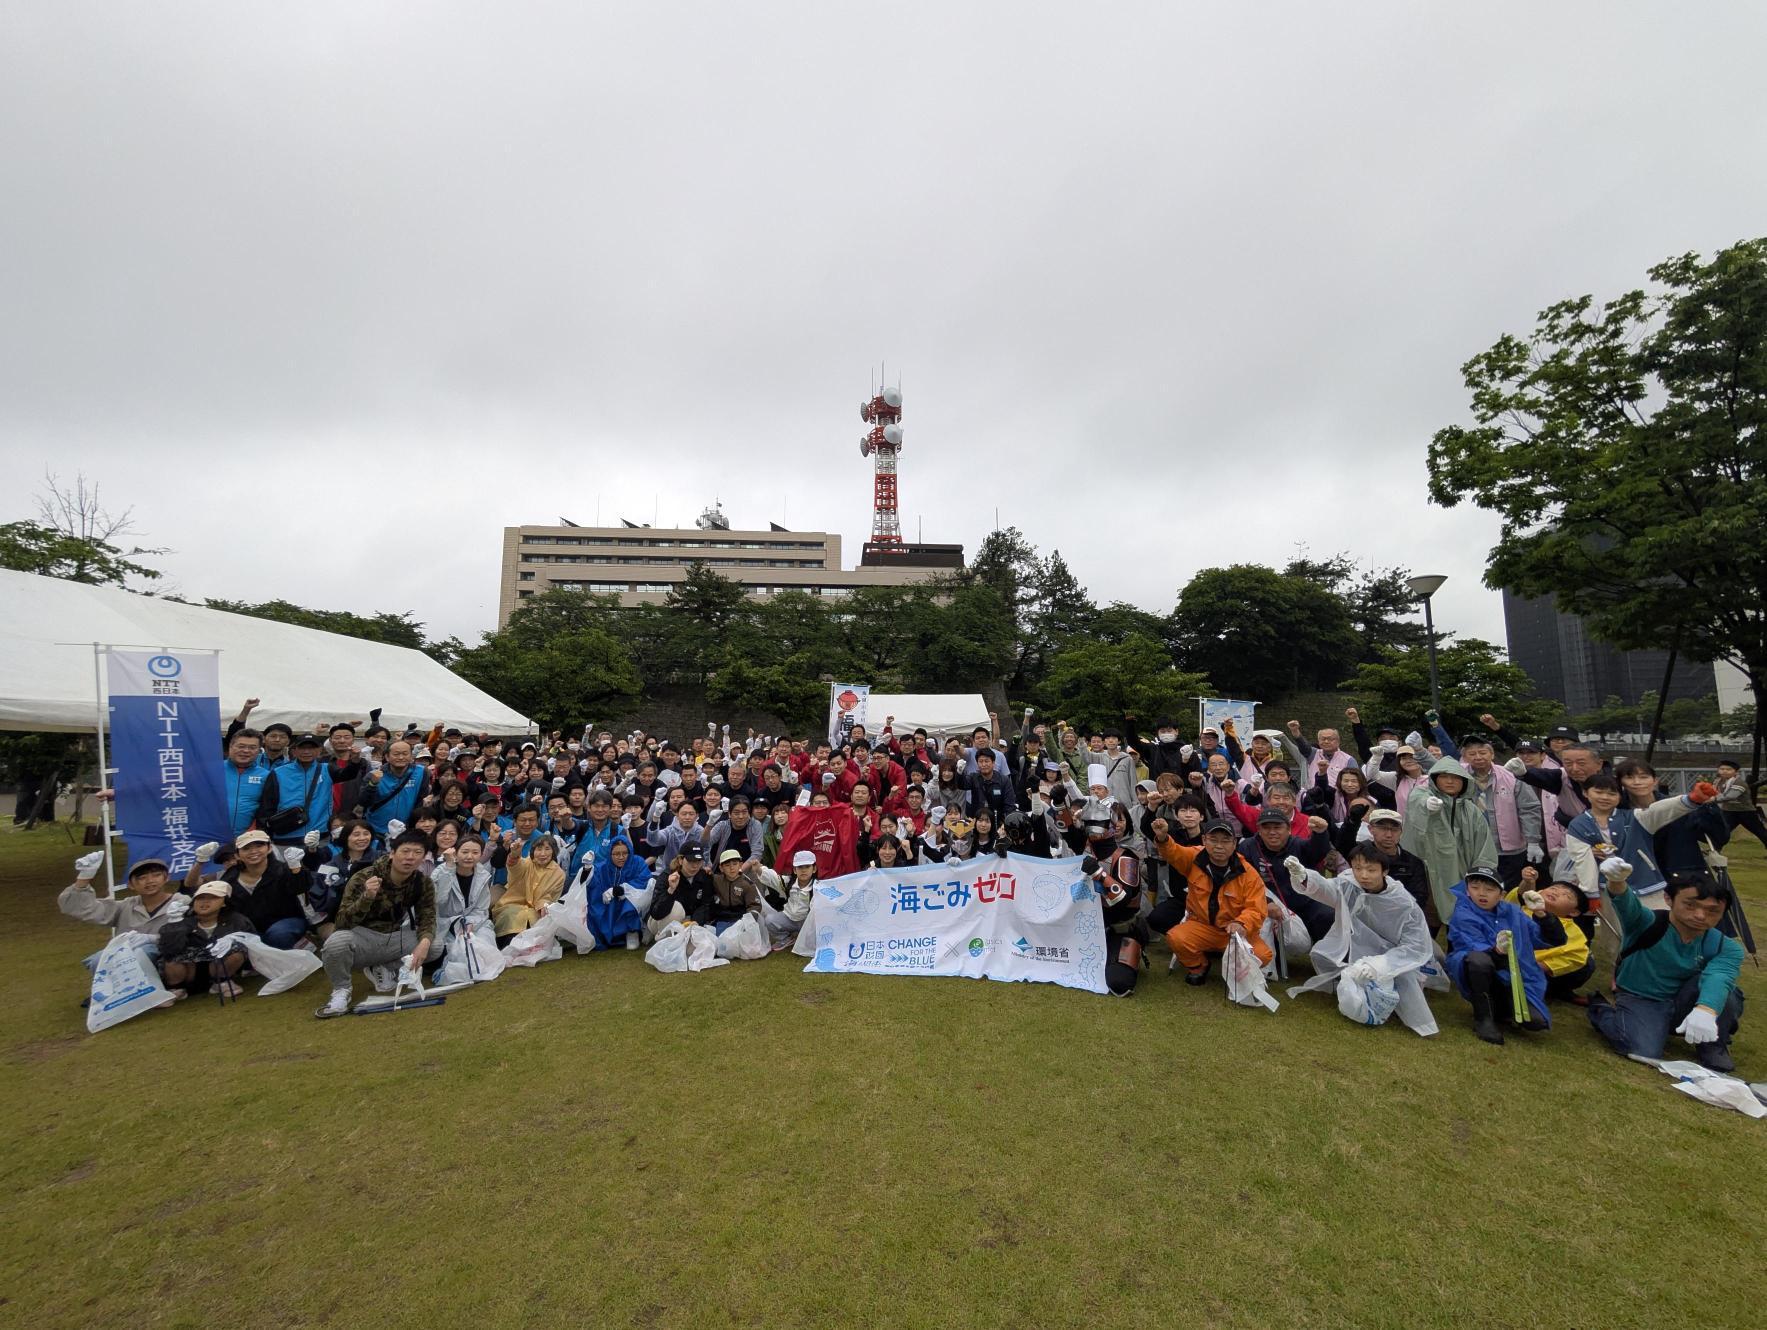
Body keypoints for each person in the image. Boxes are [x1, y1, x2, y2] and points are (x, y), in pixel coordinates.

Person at [1586, 865, 1746, 1072]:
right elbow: (1628, 905)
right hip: (1643, 997)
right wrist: (1617, 882)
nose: (1700, 915)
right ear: (1669, 899)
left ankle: (1713, 1043)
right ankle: (1603, 1012)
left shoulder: (1727, 947)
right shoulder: (1648, 922)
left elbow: (1719, 975)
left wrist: (1706, 1010)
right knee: (1642, 1051)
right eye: (1690, 905)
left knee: (1729, 994)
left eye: (1712, 911)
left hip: (1686, 1000)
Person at [1282, 843, 1438, 1036]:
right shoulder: (1349, 884)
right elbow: (1327, 889)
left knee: (1399, 981)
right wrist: (1304, 876)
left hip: (1392, 954)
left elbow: (1415, 946)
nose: (1364, 875)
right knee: (1325, 954)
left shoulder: (1404, 903)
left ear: (1385, 871)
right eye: (1358, 868)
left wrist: (1381, 963)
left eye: (1371, 870)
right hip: (1357, 945)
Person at [315, 830, 439, 1019]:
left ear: (424, 857)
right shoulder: (364, 877)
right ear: (392, 853)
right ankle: (341, 990)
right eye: (405, 851)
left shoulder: (422, 883)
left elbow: (427, 916)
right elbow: (342, 922)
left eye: (417, 853)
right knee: (336, 942)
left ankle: (385, 967)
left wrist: (424, 943)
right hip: (362, 938)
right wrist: (367, 897)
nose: (410, 858)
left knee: (434, 945)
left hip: (395, 938)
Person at [1146, 816, 1272, 986]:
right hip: (1202, 926)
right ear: (1204, 840)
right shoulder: (1194, 857)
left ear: (1234, 844)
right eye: (1213, 840)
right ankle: (1199, 966)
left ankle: (1237, 973)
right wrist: (1163, 838)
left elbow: (1256, 909)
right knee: (1176, 937)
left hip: (1234, 931)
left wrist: (1242, 924)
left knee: (1263, 955)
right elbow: (1174, 853)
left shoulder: (1248, 873)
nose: (1219, 846)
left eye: (1225, 841)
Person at [1561, 776, 1715, 913]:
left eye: (1612, 793)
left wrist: (1692, 799)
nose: (1605, 797)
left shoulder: (1635, 817)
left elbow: (1658, 811)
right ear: (1586, 793)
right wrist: (1590, 894)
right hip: (1607, 889)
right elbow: (1582, 860)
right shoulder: (1578, 825)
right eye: (1599, 792)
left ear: (1620, 797)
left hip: (1648, 885)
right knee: (1619, 937)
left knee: (1660, 929)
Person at [1445, 867, 1551, 1046]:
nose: (1482, 894)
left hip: (1517, 976)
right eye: (1475, 887)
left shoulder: (1513, 912)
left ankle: (1502, 1011)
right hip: (1484, 969)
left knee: (1536, 1022)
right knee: (1479, 961)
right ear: (1467, 890)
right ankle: (1483, 1018)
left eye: (1489, 889)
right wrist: (1497, 951)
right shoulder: (1463, 912)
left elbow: (1546, 939)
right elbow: (1472, 946)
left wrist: (1542, 915)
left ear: (1501, 894)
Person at [1401, 757, 1498, 929]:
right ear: (1435, 779)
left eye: (1455, 777)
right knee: (1426, 921)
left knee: (1461, 922)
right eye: (1444, 776)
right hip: (1428, 875)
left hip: (1462, 876)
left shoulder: (1472, 812)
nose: (1450, 781)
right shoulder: (1425, 799)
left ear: (1464, 781)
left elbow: (1484, 846)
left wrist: (1479, 878)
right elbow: (1417, 801)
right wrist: (1426, 806)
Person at [1459, 737, 1543, 886]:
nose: (1478, 757)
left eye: (1482, 752)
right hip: (1474, 848)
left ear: (1492, 754)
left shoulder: (1510, 775)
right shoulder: (1458, 776)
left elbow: (1529, 809)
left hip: (1509, 849)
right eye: (1472, 754)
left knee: (1510, 890)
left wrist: (1533, 841)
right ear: (1465, 757)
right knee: (1479, 889)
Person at [210, 830, 310, 949]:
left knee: (278, 935)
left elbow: (301, 887)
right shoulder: (230, 877)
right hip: (249, 927)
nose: (253, 851)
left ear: (269, 848)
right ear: (237, 855)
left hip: (286, 922)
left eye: (259, 846)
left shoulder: (283, 869)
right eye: (246, 848)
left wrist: (296, 867)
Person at [156, 881, 256, 1000]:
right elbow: (168, 950)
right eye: (200, 898)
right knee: (171, 957)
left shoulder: (238, 921)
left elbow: (251, 942)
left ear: (224, 902)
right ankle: (177, 988)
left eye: (213, 898)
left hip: (218, 968)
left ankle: (222, 982)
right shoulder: (181, 921)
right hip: (189, 972)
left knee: (236, 949)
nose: (205, 902)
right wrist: (175, 925)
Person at [1505, 867, 1592, 1003]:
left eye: (1567, 896)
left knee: (1588, 962)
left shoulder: (1573, 931)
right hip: (1502, 957)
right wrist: (1528, 881)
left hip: (1533, 970)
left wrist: (1536, 966)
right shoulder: (1525, 906)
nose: (1557, 893)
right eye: (1554, 888)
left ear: (1574, 912)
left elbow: (1577, 956)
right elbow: (1521, 894)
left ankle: (1555, 991)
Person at [59, 851, 187, 937]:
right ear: (131, 885)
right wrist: (84, 877)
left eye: (156, 875)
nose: (150, 881)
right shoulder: (124, 907)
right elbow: (83, 909)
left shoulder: (182, 903)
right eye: (142, 878)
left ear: (167, 878)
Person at [257, 733, 334, 846]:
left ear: (319, 750)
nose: (306, 752)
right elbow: (267, 804)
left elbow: (349, 772)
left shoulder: (328, 769)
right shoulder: (279, 772)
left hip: (318, 836)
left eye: (311, 748)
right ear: (294, 751)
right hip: (285, 836)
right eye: (302, 748)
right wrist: (266, 830)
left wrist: (355, 760)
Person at [431, 833, 493, 968]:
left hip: (471, 924)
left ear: (481, 854)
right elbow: (439, 902)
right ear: (456, 852)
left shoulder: (482, 876)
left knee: (483, 950)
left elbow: (481, 909)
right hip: (444, 924)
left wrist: (471, 922)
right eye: (465, 852)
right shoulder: (440, 871)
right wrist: (449, 868)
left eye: (475, 852)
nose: (469, 856)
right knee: (443, 956)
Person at [490, 833, 565, 943]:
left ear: (553, 851)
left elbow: (550, 897)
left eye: (547, 849)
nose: (542, 854)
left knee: (534, 921)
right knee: (512, 917)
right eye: (539, 849)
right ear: (533, 851)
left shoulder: (558, 873)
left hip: (537, 910)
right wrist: (514, 855)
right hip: (511, 905)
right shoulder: (526, 863)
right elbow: (515, 866)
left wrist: (543, 905)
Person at [589, 834, 650, 950]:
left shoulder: (638, 863)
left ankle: (632, 932)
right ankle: (606, 935)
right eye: (616, 854)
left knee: (630, 902)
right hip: (611, 906)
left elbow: (645, 880)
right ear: (610, 854)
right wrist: (587, 870)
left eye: (625, 853)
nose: (621, 857)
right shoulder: (602, 868)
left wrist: (622, 889)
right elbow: (594, 886)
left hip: (631, 904)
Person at [646, 844, 715, 939]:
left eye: (699, 861)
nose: (695, 866)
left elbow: (706, 905)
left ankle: (681, 938)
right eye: (691, 861)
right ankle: (664, 941)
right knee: (677, 909)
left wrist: (695, 921)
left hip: (690, 920)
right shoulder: (666, 876)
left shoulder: (705, 877)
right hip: (660, 920)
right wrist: (671, 890)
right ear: (680, 860)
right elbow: (656, 913)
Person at [221, 729, 270, 836]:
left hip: (248, 838)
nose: (246, 751)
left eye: (252, 748)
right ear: (231, 746)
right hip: (211, 835)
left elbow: (266, 808)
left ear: (259, 750)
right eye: (241, 746)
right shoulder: (214, 770)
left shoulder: (266, 775)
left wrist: (252, 832)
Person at [1714, 760, 1767, 851]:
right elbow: (1714, 793)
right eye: (1722, 769)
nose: (1724, 771)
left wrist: (1712, 799)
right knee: (1722, 832)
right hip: (1728, 811)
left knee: (1760, 832)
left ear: (1735, 771)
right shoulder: (1718, 782)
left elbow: (1730, 796)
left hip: (1745, 812)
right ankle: (1715, 850)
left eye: (1728, 769)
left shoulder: (1739, 782)